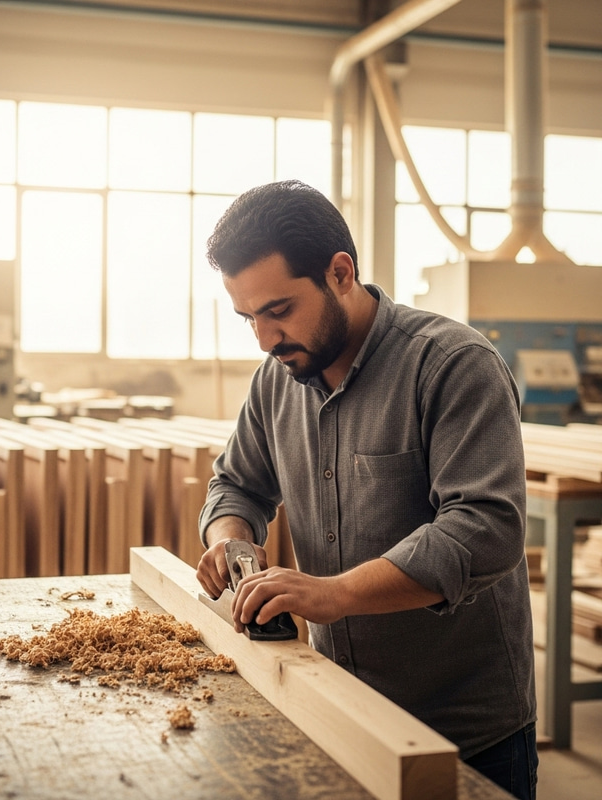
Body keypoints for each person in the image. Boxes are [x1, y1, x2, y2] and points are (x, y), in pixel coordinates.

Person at [195, 180, 538, 800]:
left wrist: (336, 594)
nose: (265, 339)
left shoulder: (452, 364)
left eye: (279, 310)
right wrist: (230, 539)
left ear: (340, 273)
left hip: (463, 732)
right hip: (336, 705)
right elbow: (237, 485)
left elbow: (485, 530)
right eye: (249, 319)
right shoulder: (276, 381)